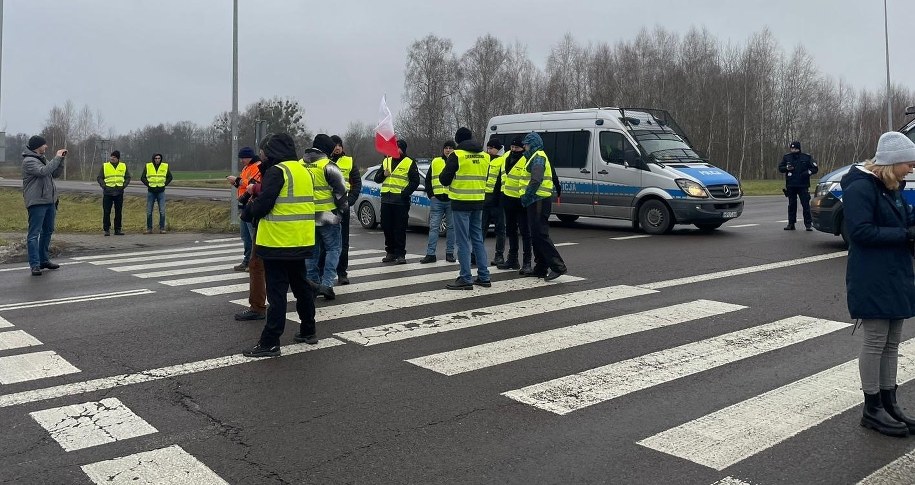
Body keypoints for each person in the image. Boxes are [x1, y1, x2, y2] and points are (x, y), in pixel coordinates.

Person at [843, 131, 915, 437]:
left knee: (892, 342)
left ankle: (889, 403)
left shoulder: (891, 186)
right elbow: (860, 232)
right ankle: (871, 408)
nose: (912, 168)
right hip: (871, 275)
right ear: (892, 161)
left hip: (895, 273)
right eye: (909, 163)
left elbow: (902, 221)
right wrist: (905, 235)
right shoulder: (861, 187)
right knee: (875, 342)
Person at [240, 133, 317, 357]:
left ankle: (270, 342)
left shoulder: (278, 171)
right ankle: (308, 330)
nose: (262, 155)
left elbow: (264, 203)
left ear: (273, 152)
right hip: (300, 239)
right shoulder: (303, 170)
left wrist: (248, 211)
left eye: (264, 151)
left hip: (278, 241)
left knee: (277, 294)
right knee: (301, 287)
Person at [439, 127, 490, 290]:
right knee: (477, 239)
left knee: (462, 242)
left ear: (458, 140)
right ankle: (484, 276)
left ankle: (466, 277)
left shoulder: (457, 155)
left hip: (461, 203)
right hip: (478, 202)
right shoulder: (485, 156)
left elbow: (444, 180)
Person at [304, 134, 348, 300]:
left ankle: (312, 283)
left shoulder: (300, 164)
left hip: (306, 214)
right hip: (327, 214)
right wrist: (342, 212)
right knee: (333, 249)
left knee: (312, 251)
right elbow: (341, 193)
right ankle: (327, 284)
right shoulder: (328, 165)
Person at [520, 132, 567, 281]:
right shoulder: (535, 156)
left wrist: (527, 196)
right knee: (536, 235)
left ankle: (558, 266)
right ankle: (540, 268)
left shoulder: (538, 157)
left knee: (540, 234)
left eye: (526, 145)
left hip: (538, 199)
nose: (524, 147)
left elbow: (536, 180)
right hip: (536, 200)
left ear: (532, 144)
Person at [21, 135, 66, 276]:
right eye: (44, 144)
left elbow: (54, 173)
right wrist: (56, 158)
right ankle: (35, 264)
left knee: (47, 231)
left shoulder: (42, 159)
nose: (46, 146)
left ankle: (44, 260)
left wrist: (61, 160)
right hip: (37, 202)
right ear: (37, 146)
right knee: (34, 234)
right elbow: (43, 171)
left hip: (49, 201)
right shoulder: (29, 161)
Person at [374, 139, 419, 264]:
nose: (395, 149)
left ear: (403, 149)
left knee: (400, 229)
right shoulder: (386, 160)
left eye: (398, 147)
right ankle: (390, 252)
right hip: (386, 200)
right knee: (386, 227)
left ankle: (400, 254)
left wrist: (404, 193)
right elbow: (377, 179)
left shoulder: (409, 162)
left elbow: (415, 181)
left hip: (401, 202)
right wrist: (383, 174)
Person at [234, 167, 267, 322]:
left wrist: (253, 190)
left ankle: (258, 308)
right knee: (292, 269)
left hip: (269, 229)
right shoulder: (298, 169)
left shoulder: (273, 171)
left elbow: (264, 199)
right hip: (297, 231)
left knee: (257, 266)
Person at [328, 135, 362, 285]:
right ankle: (325, 273)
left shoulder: (349, 161)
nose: (337, 147)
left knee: (343, 241)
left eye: (339, 145)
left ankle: (342, 272)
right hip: (326, 206)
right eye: (334, 145)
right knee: (326, 241)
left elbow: (357, 183)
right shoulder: (324, 161)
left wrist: (350, 200)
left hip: (343, 206)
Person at [498, 137, 532, 272]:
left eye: (516, 148)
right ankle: (512, 259)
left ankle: (527, 262)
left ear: (522, 148)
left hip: (521, 200)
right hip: (508, 198)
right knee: (511, 231)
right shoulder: (507, 156)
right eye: (512, 147)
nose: (513, 150)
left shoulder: (527, 158)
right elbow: (503, 176)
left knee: (525, 232)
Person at [421, 141, 456, 264]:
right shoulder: (436, 161)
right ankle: (430, 254)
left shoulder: (457, 161)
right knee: (434, 228)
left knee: (451, 228)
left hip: (451, 199)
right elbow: (428, 179)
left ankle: (449, 253)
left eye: (450, 148)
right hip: (437, 199)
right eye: (446, 148)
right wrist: (431, 194)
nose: (448, 150)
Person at [227, 147, 262, 271]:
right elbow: (244, 185)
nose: (241, 160)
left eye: (243, 158)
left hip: (250, 205)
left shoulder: (257, 167)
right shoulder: (246, 167)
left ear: (249, 157)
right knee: (245, 236)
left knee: (252, 235)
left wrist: (238, 180)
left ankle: (253, 262)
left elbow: (253, 184)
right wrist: (236, 183)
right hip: (244, 205)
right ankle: (247, 261)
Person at [778, 141, 818, 231]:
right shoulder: (787, 157)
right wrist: (787, 168)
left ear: (798, 148)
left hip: (803, 185)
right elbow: (780, 168)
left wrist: (807, 173)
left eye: (795, 148)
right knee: (792, 205)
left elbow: (815, 168)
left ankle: (808, 224)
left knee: (805, 205)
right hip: (791, 185)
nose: (793, 150)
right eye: (792, 148)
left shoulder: (806, 157)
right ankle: (791, 224)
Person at [483, 138, 507, 266]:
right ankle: (476, 254)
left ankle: (499, 255)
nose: (489, 150)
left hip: (497, 200)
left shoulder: (502, 160)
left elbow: (503, 181)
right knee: (481, 228)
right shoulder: (485, 159)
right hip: (485, 199)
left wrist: (500, 198)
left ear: (497, 149)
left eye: (491, 148)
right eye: (488, 148)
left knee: (500, 229)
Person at [96, 150, 130, 236]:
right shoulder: (105, 166)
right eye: (111, 156)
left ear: (118, 158)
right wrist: (104, 186)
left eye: (114, 157)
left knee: (118, 211)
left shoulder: (123, 166)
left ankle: (117, 229)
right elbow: (99, 177)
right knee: (106, 211)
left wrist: (123, 186)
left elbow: (127, 177)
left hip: (119, 191)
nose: (112, 158)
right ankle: (106, 229)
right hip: (108, 192)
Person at [139, 153, 173, 234]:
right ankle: (149, 228)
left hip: (161, 191)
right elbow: (142, 177)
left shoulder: (165, 166)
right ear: (153, 159)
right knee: (149, 211)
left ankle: (162, 228)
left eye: (159, 158)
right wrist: (148, 184)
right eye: (156, 158)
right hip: (151, 191)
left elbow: (170, 177)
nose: (157, 160)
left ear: (161, 159)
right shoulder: (148, 166)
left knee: (162, 211)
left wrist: (164, 184)